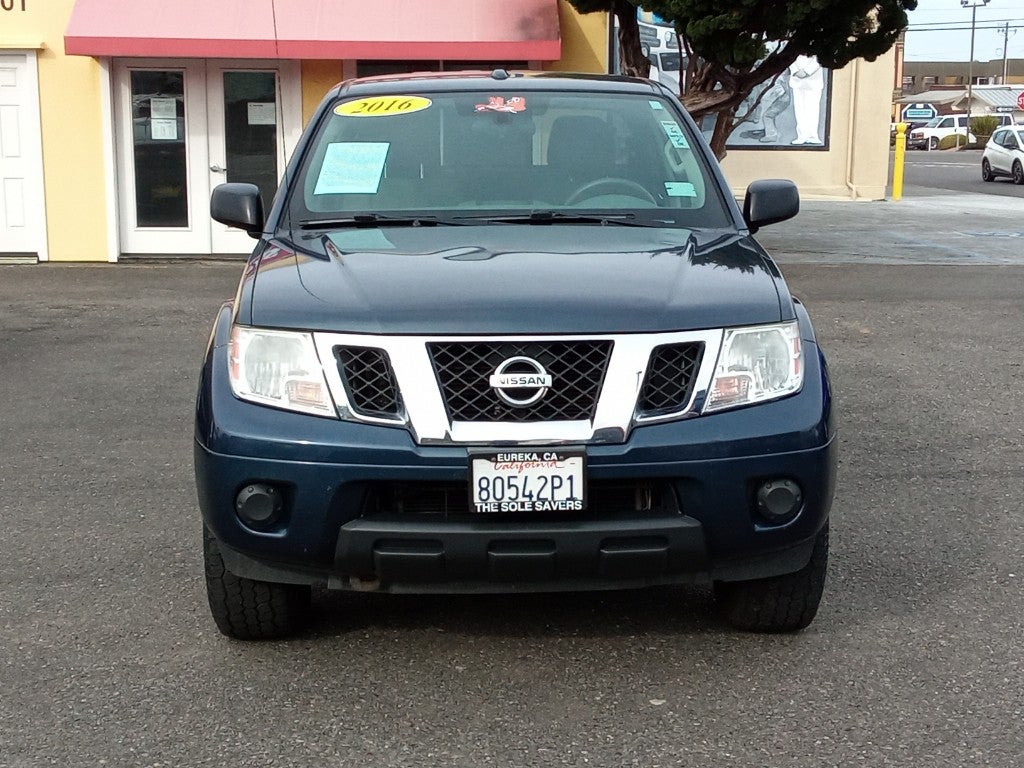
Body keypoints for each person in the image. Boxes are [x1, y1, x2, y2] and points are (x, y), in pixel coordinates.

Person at [789, 55, 824, 145]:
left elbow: (821, 56)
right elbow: (788, 54)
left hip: (813, 80)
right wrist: (796, 71)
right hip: (797, 80)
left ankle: (813, 136)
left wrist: (807, 71)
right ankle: (801, 136)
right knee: (799, 109)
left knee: (813, 109)